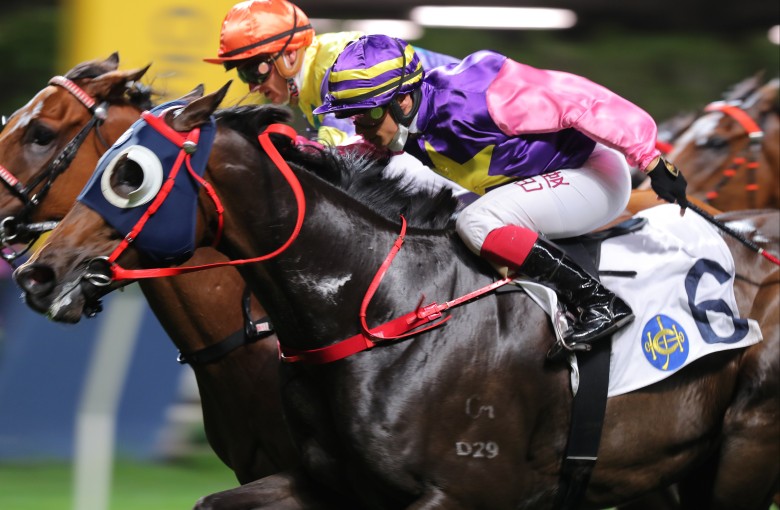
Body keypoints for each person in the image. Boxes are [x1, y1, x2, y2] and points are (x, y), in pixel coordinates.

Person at [313, 35, 689, 354]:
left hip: (590, 175)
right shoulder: (405, 123)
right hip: (549, 181)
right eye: (353, 117)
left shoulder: (480, 92)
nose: (358, 127)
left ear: (403, 101)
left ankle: (598, 302)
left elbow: (585, 101)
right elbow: (353, 159)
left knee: (476, 222)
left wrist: (651, 161)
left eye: (365, 115)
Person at [204, 0, 459, 147]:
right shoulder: (311, 78)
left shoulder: (336, 67)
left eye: (254, 72)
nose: (252, 87)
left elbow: (343, 149)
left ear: (290, 55)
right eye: (242, 75)